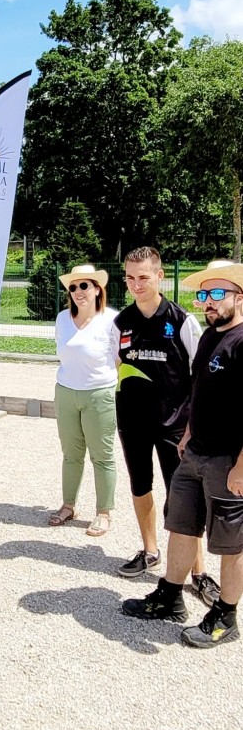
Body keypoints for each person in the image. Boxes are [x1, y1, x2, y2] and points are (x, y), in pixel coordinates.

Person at [122, 261, 243, 648]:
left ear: (239, 297)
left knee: (230, 542)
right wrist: (188, 432)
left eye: (217, 294)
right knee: (181, 526)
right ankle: (170, 596)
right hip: (194, 452)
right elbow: (199, 389)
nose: (208, 302)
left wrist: (242, 466)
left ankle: (226, 615)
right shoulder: (211, 335)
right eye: (204, 295)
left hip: (229, 461)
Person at [112, 247, 218, 605]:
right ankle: (149, 550)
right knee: (140, 486)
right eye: (130, 277)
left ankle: (199, 572)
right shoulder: (120, 322)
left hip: (175, 426)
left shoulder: (182, 320)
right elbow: (117, 367)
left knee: (184, 498)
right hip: (133, 423)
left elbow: (201, 374)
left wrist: (193, 424)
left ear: (160, 276)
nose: (136, 284)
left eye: (143, 277)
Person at [49, 264, 118, 536]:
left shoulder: (111, 319)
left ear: (97, 289)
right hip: (66, 390)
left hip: (99, 392)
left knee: (102, 455)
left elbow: (119, 358)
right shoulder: (63, 318)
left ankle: (103, 512)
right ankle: (68, 505)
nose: (78, 291)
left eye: (84, 286)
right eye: (73, 287)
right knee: (71, 453)